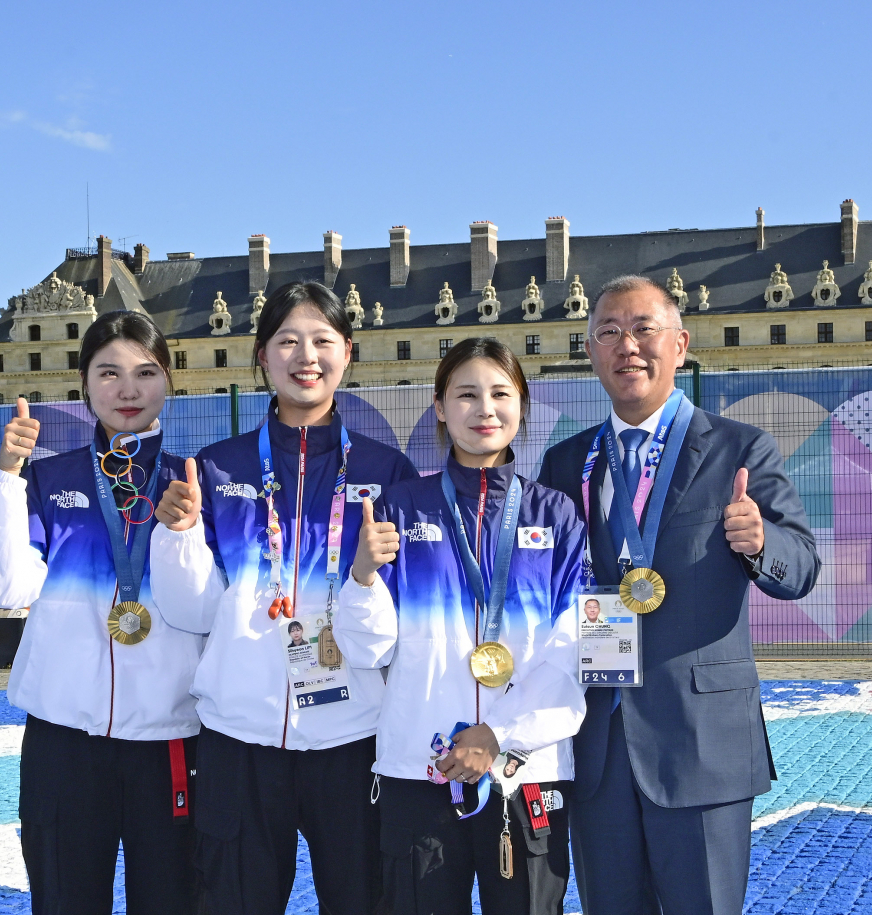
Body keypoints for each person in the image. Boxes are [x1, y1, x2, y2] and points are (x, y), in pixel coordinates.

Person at [537, 275, 821, 915]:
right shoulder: (565, 464)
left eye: (643, 329)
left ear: (681, 344)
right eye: (609, 332)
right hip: (598, 748)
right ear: (590, 352)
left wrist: (759, 542)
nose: (627, 346)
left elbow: (801, 564)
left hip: (701, 744)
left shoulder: (740, 449)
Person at [149, 281, 418, 915]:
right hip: (239, 739)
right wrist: (178, 537)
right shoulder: (214, 469)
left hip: (352, 740)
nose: (307, 356)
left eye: (322, 340)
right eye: (288, 341)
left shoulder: (388, 471)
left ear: (347, 353)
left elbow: (396, 623)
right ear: (262, 357)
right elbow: (190, 613)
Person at [336, 337, 587, 915]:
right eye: (466, 395)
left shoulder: (555, 515)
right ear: (440, 408)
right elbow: (368, 649)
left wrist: (498, 734)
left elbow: (573, 647)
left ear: (521, 404)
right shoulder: (401, 507)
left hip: (525, 773)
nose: (485, 409)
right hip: (420, 770)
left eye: (501, 393)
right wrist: (363, 578)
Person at [0, 312, 202, 914]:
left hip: (168, 740)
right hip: (64, 745)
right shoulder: (48, 480)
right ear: (84, 383)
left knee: (171, 901)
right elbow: (3, 585)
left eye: (146, 373)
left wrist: (184, 533)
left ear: (169, 381)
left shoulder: (193, 484)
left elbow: (206, 611)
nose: (128, 390)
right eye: (109, 373)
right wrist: (6, 478)